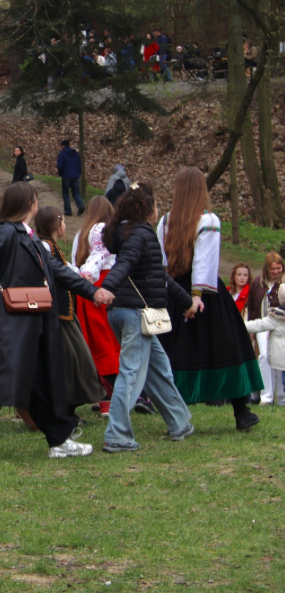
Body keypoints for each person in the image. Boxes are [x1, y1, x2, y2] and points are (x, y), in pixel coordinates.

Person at [0, 182, 110, 464]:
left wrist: (92, 292)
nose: (38, 203)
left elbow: (57, 270)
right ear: (30, 204)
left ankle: (59, 440)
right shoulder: (5, 232)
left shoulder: (27, 236)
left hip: (26, 323)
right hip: (4, 322)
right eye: (36, 199)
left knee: (37, 381)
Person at [156, 167, 263, 430]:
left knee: (176, 350)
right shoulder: (208, 221)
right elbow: (204, 262)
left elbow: (161, 262)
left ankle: (176, 416)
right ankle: (241, 412)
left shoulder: (166, 221)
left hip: (174, 291)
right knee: (227, 347)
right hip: (206, 294)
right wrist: (195, 296)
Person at [97, 182, 197, 452]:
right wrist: (107, 287)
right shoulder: (141, 235)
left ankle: (179, 422)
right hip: (136, 315)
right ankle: (117, 435)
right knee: (131, 375)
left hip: (124, 312)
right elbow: (125, 264)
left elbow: (159, 277)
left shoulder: (126, 233)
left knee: (158, 370)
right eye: (156, 205)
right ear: (148, 208)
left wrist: (187, 302)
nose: (158, 210)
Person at [34, 207, 106, 415]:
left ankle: (68, 409)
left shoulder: (52, 247)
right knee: (70, 361)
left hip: (64, 315)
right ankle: (63, 410)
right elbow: (59, 271)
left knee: (77, 360)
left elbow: (66, 269)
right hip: (55, 315)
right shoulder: (44, 247)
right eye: (64, 221)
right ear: (56, 224)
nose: (65, 225)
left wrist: (82, 275)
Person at [71, 197, 120, 397]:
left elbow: (75, 260)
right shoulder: (103, 229)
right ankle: (109, 395)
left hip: (84, 290)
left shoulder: (81, 233)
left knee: (93, 342)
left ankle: (97, 392)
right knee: (108, 340)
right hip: (103, 286)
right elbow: (99, 257)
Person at [247, 253, 283, 404]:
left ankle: (281, 396)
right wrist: (251, 329)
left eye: (278, 268)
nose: (276, 271)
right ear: (266, 269)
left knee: (280, 359)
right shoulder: (258, 283)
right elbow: (251, 306)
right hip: (262, 324)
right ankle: (266, 396)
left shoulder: (284, 283)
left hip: (280, 325)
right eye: (272, 269)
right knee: (263, 357)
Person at [57, 140, 85, 216]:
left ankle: (68, 211)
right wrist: (78, 173)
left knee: (65, 194)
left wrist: (60, 173)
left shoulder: (62, 154)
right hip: (75, 175)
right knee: (76, 192)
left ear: (63, 146)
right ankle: (81, 205)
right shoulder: (76, 153)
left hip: (66, 176)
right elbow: (79, 164)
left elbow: (60, 166)